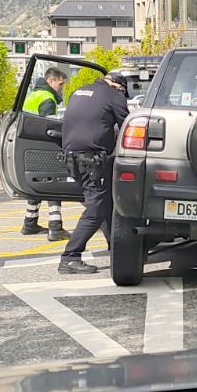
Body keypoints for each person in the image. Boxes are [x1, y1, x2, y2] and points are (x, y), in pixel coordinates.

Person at [57, 71, 129, 276]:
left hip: (72, 159)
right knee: (96, 209)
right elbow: (129, 125)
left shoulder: (78, 92)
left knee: (104, 202)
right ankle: (70, 257)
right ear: (119, 87)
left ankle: (115, 245)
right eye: (123, 93)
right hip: (93, 160)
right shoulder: (113, 95)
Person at [21, 66, 68, 240]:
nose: (61, 88)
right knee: (53, 183)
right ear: (51, 81)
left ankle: (30, 223)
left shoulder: (32, 95)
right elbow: (50, 127)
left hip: (29, 146)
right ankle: (56, 227)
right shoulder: (48, 99)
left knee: (37, 185)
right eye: (60, 84)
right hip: (43, 147)